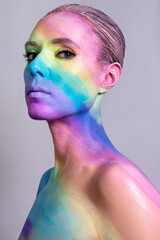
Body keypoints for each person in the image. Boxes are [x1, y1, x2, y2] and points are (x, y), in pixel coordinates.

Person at [19, 4, 160, 240]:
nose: (35, 66)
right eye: (32, 54)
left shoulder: (115, 182)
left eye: (65, 53)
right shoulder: (48, 181)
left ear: (108, 77)